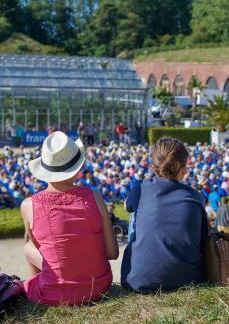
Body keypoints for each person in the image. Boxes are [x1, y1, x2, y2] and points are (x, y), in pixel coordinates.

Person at [21, 131, 118, 306]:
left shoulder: (28, 205)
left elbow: (39, 248)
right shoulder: (95, 197)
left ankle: (36, 286)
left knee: (28, 246)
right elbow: (112, 253)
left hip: (56, 294)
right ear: (77, 169)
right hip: (99, 287)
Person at [121, 136, 208, 293]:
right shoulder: (195, 196)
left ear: (153, 166)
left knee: (135, 213)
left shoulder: (140, 188)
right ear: (183, 169)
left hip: (138, 281)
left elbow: (127, 205)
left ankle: (143, 263)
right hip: (190, 278)